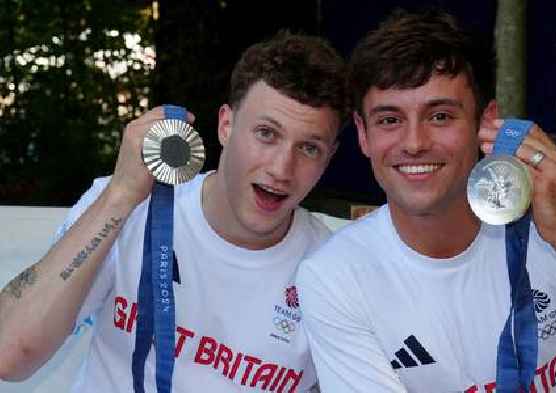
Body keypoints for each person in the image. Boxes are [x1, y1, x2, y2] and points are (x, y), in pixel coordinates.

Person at [296, 9, 556, 392]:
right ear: (363, 135)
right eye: (389, 120)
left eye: (440, 116)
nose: (415, 143)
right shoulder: (335, 277)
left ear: (486, 123)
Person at [0, 31, 348, 393]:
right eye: (266, 133)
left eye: (309, 148)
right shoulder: (129, 205)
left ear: (329, 157)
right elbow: (9, 353)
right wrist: (120, 196)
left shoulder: (333, 268)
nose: (281, 168)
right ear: (226, 125)